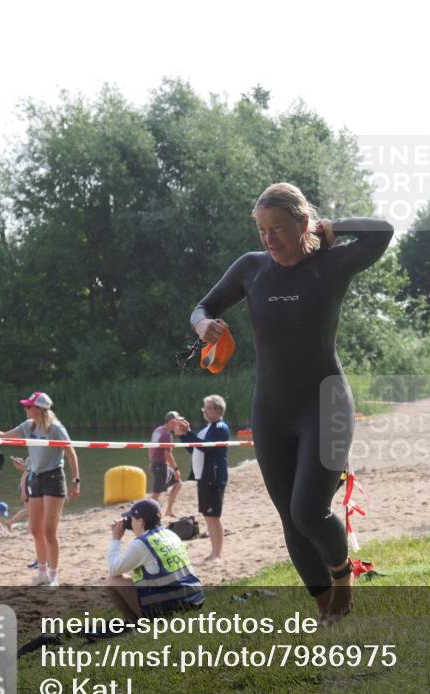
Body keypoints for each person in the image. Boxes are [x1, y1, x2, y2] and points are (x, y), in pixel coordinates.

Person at [190, 182, 392, 625]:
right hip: (272, 409)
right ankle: (327, 614)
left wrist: (332, 228)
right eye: (262, 230)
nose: (268, 239)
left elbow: (382, 232)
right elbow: (203, 305)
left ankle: (342, 576)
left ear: (303, 224)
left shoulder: (332, 264)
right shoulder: (252, 268)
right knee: (290, 517)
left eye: (277, 228)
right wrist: (204, 323)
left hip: (326, 403)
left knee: (308, 511)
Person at [0, 391, 81, 587]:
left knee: (49, 531)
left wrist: (76, 481)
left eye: (28, 406)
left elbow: (71, 452)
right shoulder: (27, 426)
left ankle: (54, 576)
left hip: (54, 478)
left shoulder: (56, 429)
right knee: (34, 529)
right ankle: (41, 572)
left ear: (39, 409)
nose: (25, 409)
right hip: (35, 478)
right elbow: (2, 438)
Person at [104, 498, 204, 621]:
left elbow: (113, 569)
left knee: (112, 580)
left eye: (132, 519)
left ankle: (133, 622)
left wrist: (116, 538)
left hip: (172, 606)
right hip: (196, 599)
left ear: (141, 521)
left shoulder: (142, 544)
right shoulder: (170, 534)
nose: (130, 522)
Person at [179, 395, 230, 563]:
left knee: (213, 516)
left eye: (207, 408)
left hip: (213, 477)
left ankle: (217, 554)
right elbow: (195, 450)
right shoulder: (207, 428)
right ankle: (213, 551)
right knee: (208, 516)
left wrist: (188, 433)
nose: (204, 411)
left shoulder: (220, 428)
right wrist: (183, 435)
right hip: (203, 477)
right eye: (204, 407)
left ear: (217, 410)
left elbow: (206, 448)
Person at [149, 411, 188, 517]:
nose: (180, 423)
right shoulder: (166, 434)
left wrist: (152, 461)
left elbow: (150, 447)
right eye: (178, 421)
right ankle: (145, 515)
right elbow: (168, 454)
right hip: (161, 465)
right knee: (155, 494)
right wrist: (176, 469)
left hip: (158, 464)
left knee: (178, 484)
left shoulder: (158, 429)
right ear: (172, 421)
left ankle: (169, 510)